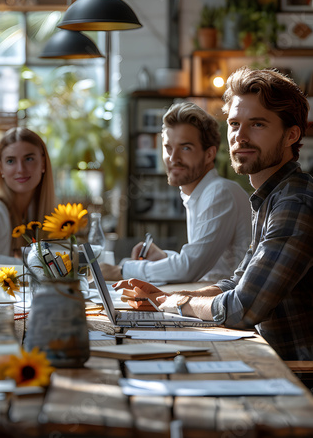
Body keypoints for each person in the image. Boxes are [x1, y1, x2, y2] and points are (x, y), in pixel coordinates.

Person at [116, 67, 313, 362]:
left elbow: (243, 307)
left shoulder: (295, 203)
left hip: (295, 372)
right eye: (234, 124)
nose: (240, 137)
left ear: (291, 135)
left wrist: (178, 301)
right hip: (265, 356)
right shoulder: (272, 197)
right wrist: (164, 297)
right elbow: (237, 281)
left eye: (257, 124)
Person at [103, 102, 251, 284]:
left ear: (209, 154)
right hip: (213, 298)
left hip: (229, 306)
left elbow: (189, 268)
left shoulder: (219, 193)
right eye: (168, 148)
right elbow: (204, 264)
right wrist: (164, 257)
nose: (173, 158)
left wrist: (122, 270)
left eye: (185, 148)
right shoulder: (199, 194)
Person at [0, 127, 55, 264]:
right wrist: (44, 267)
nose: (20, 169)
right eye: (11, 161)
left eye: (29, 159)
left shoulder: (37, 211)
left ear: (43, 163)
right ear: (1, 168)